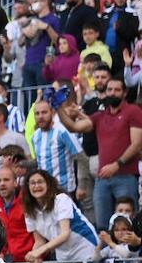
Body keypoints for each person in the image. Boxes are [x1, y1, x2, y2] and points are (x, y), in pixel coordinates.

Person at [57, 77, 142, 230]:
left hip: (126, 176)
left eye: (117, 90)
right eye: (110, 90)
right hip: (102, 178)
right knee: (102, 224)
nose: (112, 93)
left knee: (129, 223)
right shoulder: (100, 116)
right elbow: (73, 127)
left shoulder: (133, 111)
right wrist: (58, 107)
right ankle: (106, 252)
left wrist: (117, 165)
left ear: (125, 93)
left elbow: (137, 144)